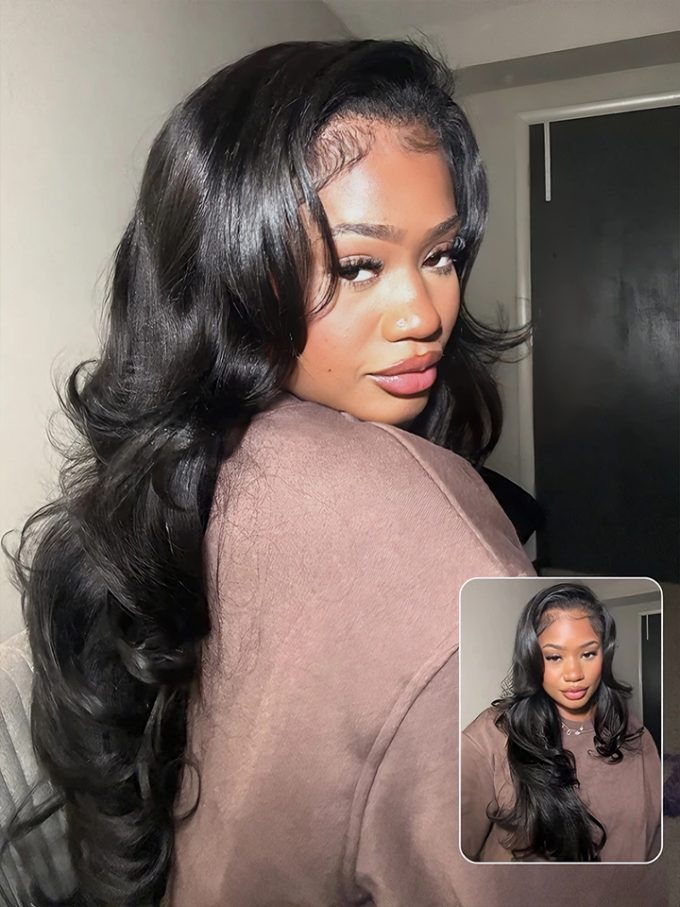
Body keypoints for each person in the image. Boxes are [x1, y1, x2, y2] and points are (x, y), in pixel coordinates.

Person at [0, 39, 667, 907]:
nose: (425, 312)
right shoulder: (442, 570)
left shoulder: (209, 457)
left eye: (441, 254)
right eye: (359, 265)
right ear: (231, 269)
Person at [461, 582, 662, 863]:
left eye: (588, 654)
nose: (574, 673)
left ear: (605, 654)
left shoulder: (634, 733)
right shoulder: (490, 736)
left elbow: (650, 840)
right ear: (532, 658)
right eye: (554, 657)